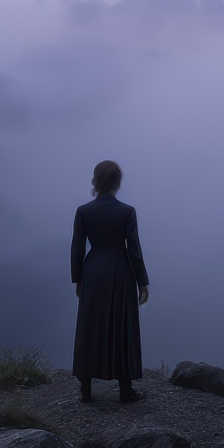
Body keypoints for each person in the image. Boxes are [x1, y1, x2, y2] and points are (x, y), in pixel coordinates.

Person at [71, 159, 150, 403]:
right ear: (117, 183)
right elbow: (133, 248)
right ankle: (126, 390)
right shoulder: (127, 211)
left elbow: (77, 248)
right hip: (121, 272)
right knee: (122, 325)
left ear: (96, 181)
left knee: (89, 325)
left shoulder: (83, 211)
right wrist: (143, 282)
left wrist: (78, 279)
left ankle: (86, 390)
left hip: (93, 271)